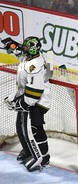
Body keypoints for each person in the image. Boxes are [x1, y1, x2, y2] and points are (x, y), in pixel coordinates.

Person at [2, 37, 52, 171]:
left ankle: (42, 157)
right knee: (20, 126)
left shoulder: (35, 65)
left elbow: (35, 92)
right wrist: (10, 44)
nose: (23, 49)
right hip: (27, 95)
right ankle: (29, 151)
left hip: (38, 100)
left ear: (33, 50)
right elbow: (18, 51)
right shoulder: (33, 55)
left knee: (34, 129)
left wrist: (20, 104)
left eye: (26, 47)